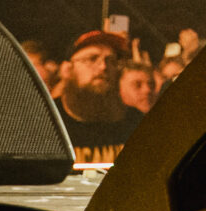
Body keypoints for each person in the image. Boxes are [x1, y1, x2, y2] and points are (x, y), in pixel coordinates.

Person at [53, 29, 144, 159]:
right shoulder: (49, 121)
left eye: (111, 60)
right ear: (67, 69)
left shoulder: (135, 122)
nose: (103, 67)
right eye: (92, 59)